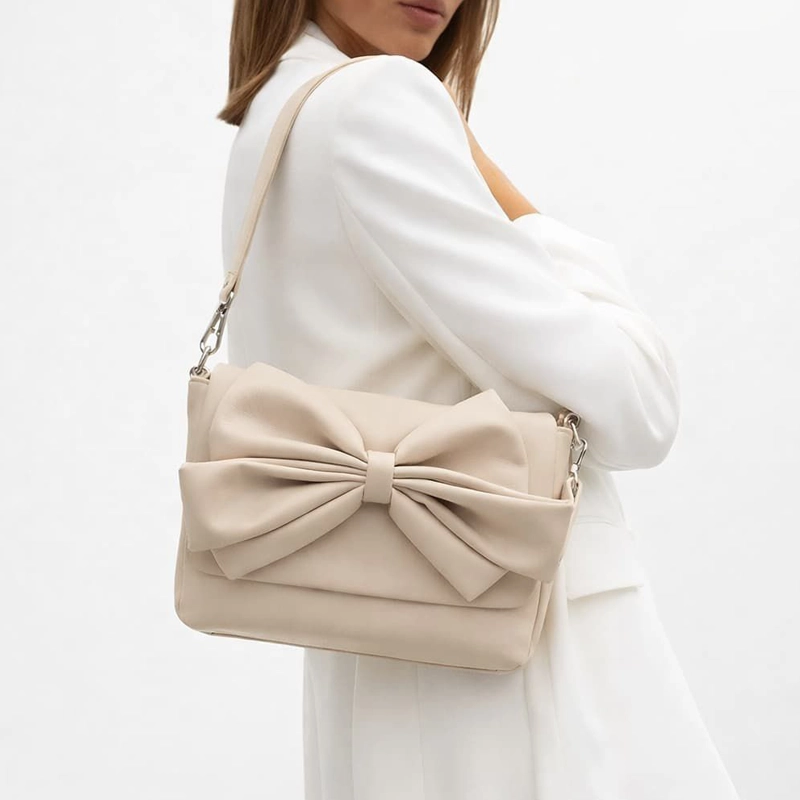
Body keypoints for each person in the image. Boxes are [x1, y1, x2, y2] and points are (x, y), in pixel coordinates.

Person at [216, 2, 743, 798]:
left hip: (381, 671)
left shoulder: (274, 120)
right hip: (516, 666)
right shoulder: (374, 103)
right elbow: (640, 404)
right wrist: (500, 185)